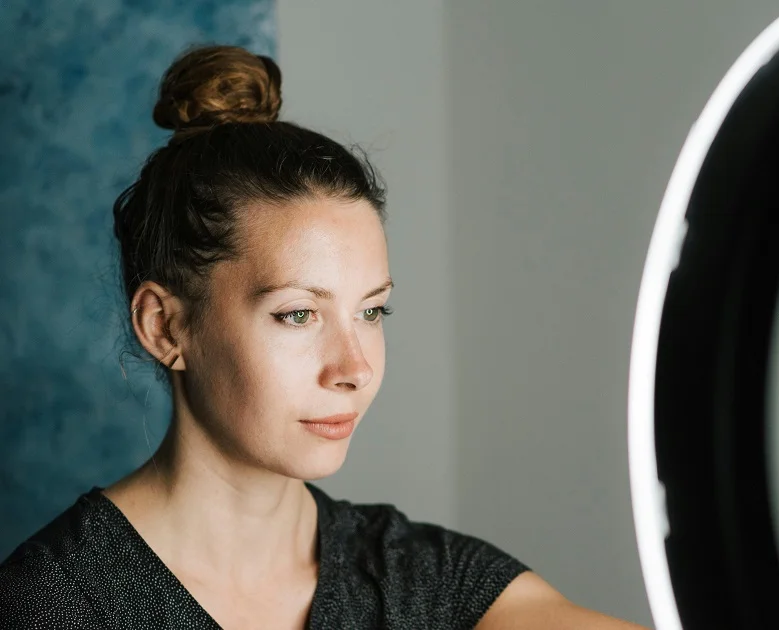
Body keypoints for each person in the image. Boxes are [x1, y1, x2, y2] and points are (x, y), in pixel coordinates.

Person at [0, 45, 646, 630]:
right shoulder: (54, 604)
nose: (354, 367)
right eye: (298, 314)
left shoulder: (428, 583)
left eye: (372, 312)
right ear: (165, 326)